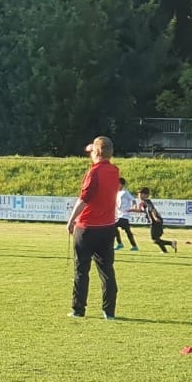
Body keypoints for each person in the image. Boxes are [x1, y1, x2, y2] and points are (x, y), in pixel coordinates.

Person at [66, 136, 120, 320]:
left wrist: (71, 220)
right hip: (107, 228)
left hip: (87, 227)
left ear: (96, 152)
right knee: (107, 270)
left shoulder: (94, 172)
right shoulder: (114, 171)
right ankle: (109, 311)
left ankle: (78, 309)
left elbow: (84, 198)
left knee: (81, 270)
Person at [138, 187, 176, 253]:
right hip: (154, 222)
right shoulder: (144, 202)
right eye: (139, 194)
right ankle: (168, 247)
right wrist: (131, 210)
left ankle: (169, 245)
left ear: (146, 195)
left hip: (156, 221)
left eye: (141, 194)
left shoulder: (147, 202)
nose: (139, 196)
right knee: (155, 239)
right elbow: (142, 210)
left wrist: (155, 217)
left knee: (155, 239)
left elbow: (152, 210)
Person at [114, 179, 139, 251]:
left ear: (122, 184)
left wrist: (134, 207)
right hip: (119, 215)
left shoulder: (125, 192)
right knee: (128, 232)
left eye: (118, 183)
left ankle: (120, 243)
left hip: (124, 215)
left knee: (113, 226)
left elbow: (133, 200)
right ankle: (134, 246)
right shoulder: (117, 192)